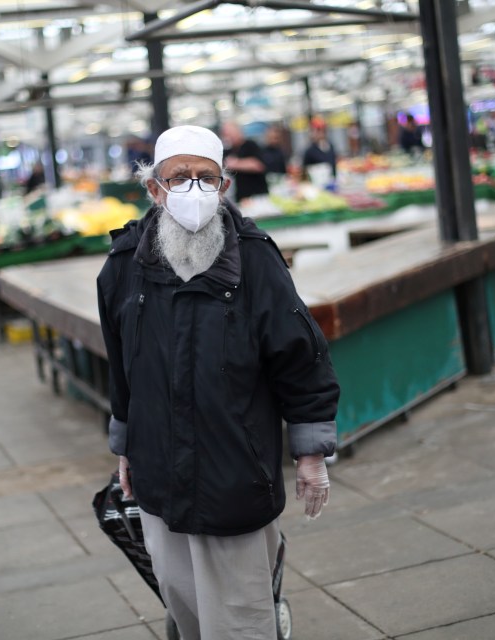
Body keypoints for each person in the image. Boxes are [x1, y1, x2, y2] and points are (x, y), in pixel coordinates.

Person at [97, 125, 339, 640]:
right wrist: (125, 445)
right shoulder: (124, 265)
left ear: (224, 186)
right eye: (179, 178)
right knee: (182, 603)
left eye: (206, 178)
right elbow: (122, 365)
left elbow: (301, 357)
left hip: (236, 470)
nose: (194, 190)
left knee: (238, 616)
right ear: (154, 189)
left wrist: (312, 453)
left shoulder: (254, 258)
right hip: (159, 469)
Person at [220, 121, 269, 201]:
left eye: (230, 133)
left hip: (257, 195)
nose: (228, 137)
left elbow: (258, 166)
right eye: (226, 134)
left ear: (238, 132)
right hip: (240, 197)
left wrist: (236, 164)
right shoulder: (228, 150)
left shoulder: (251, 145)